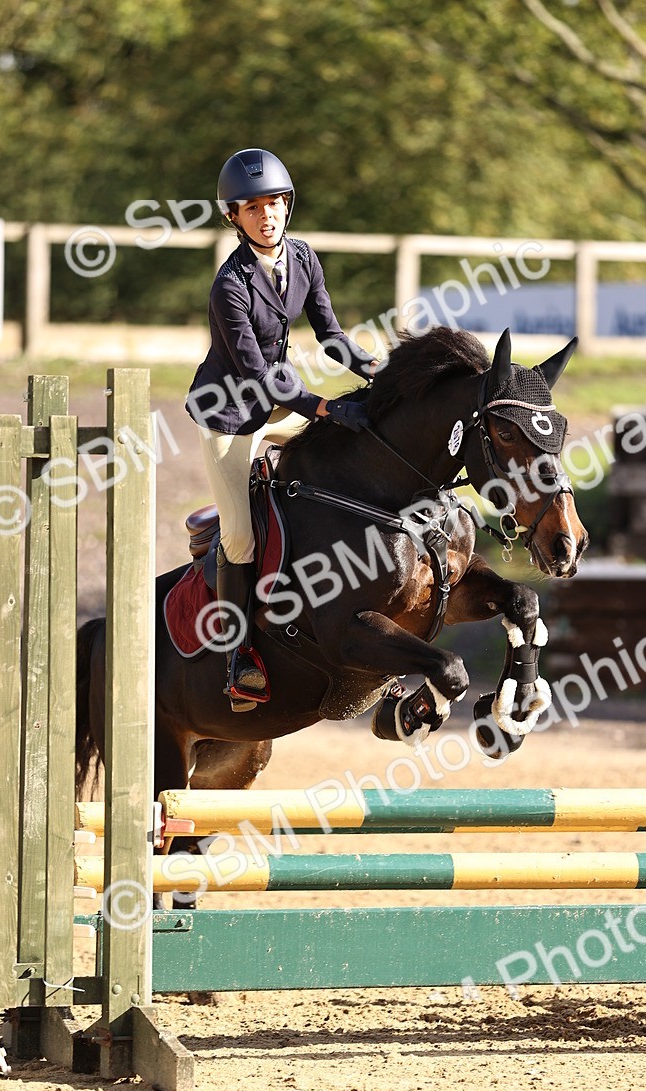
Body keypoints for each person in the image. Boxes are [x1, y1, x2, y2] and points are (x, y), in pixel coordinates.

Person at [185, 147, 377, 710]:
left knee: (348, 457)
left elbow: (332, 334)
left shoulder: (304, 258)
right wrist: (322, 407)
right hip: (230, 414)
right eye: (253, 208)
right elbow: (257, 375)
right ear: (234, 217)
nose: (266, 216)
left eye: (274, 204)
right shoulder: (230, 285)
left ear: (287, 206)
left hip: (279, 399)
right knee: (240, 538)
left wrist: (378, 371)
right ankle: (238, 654)